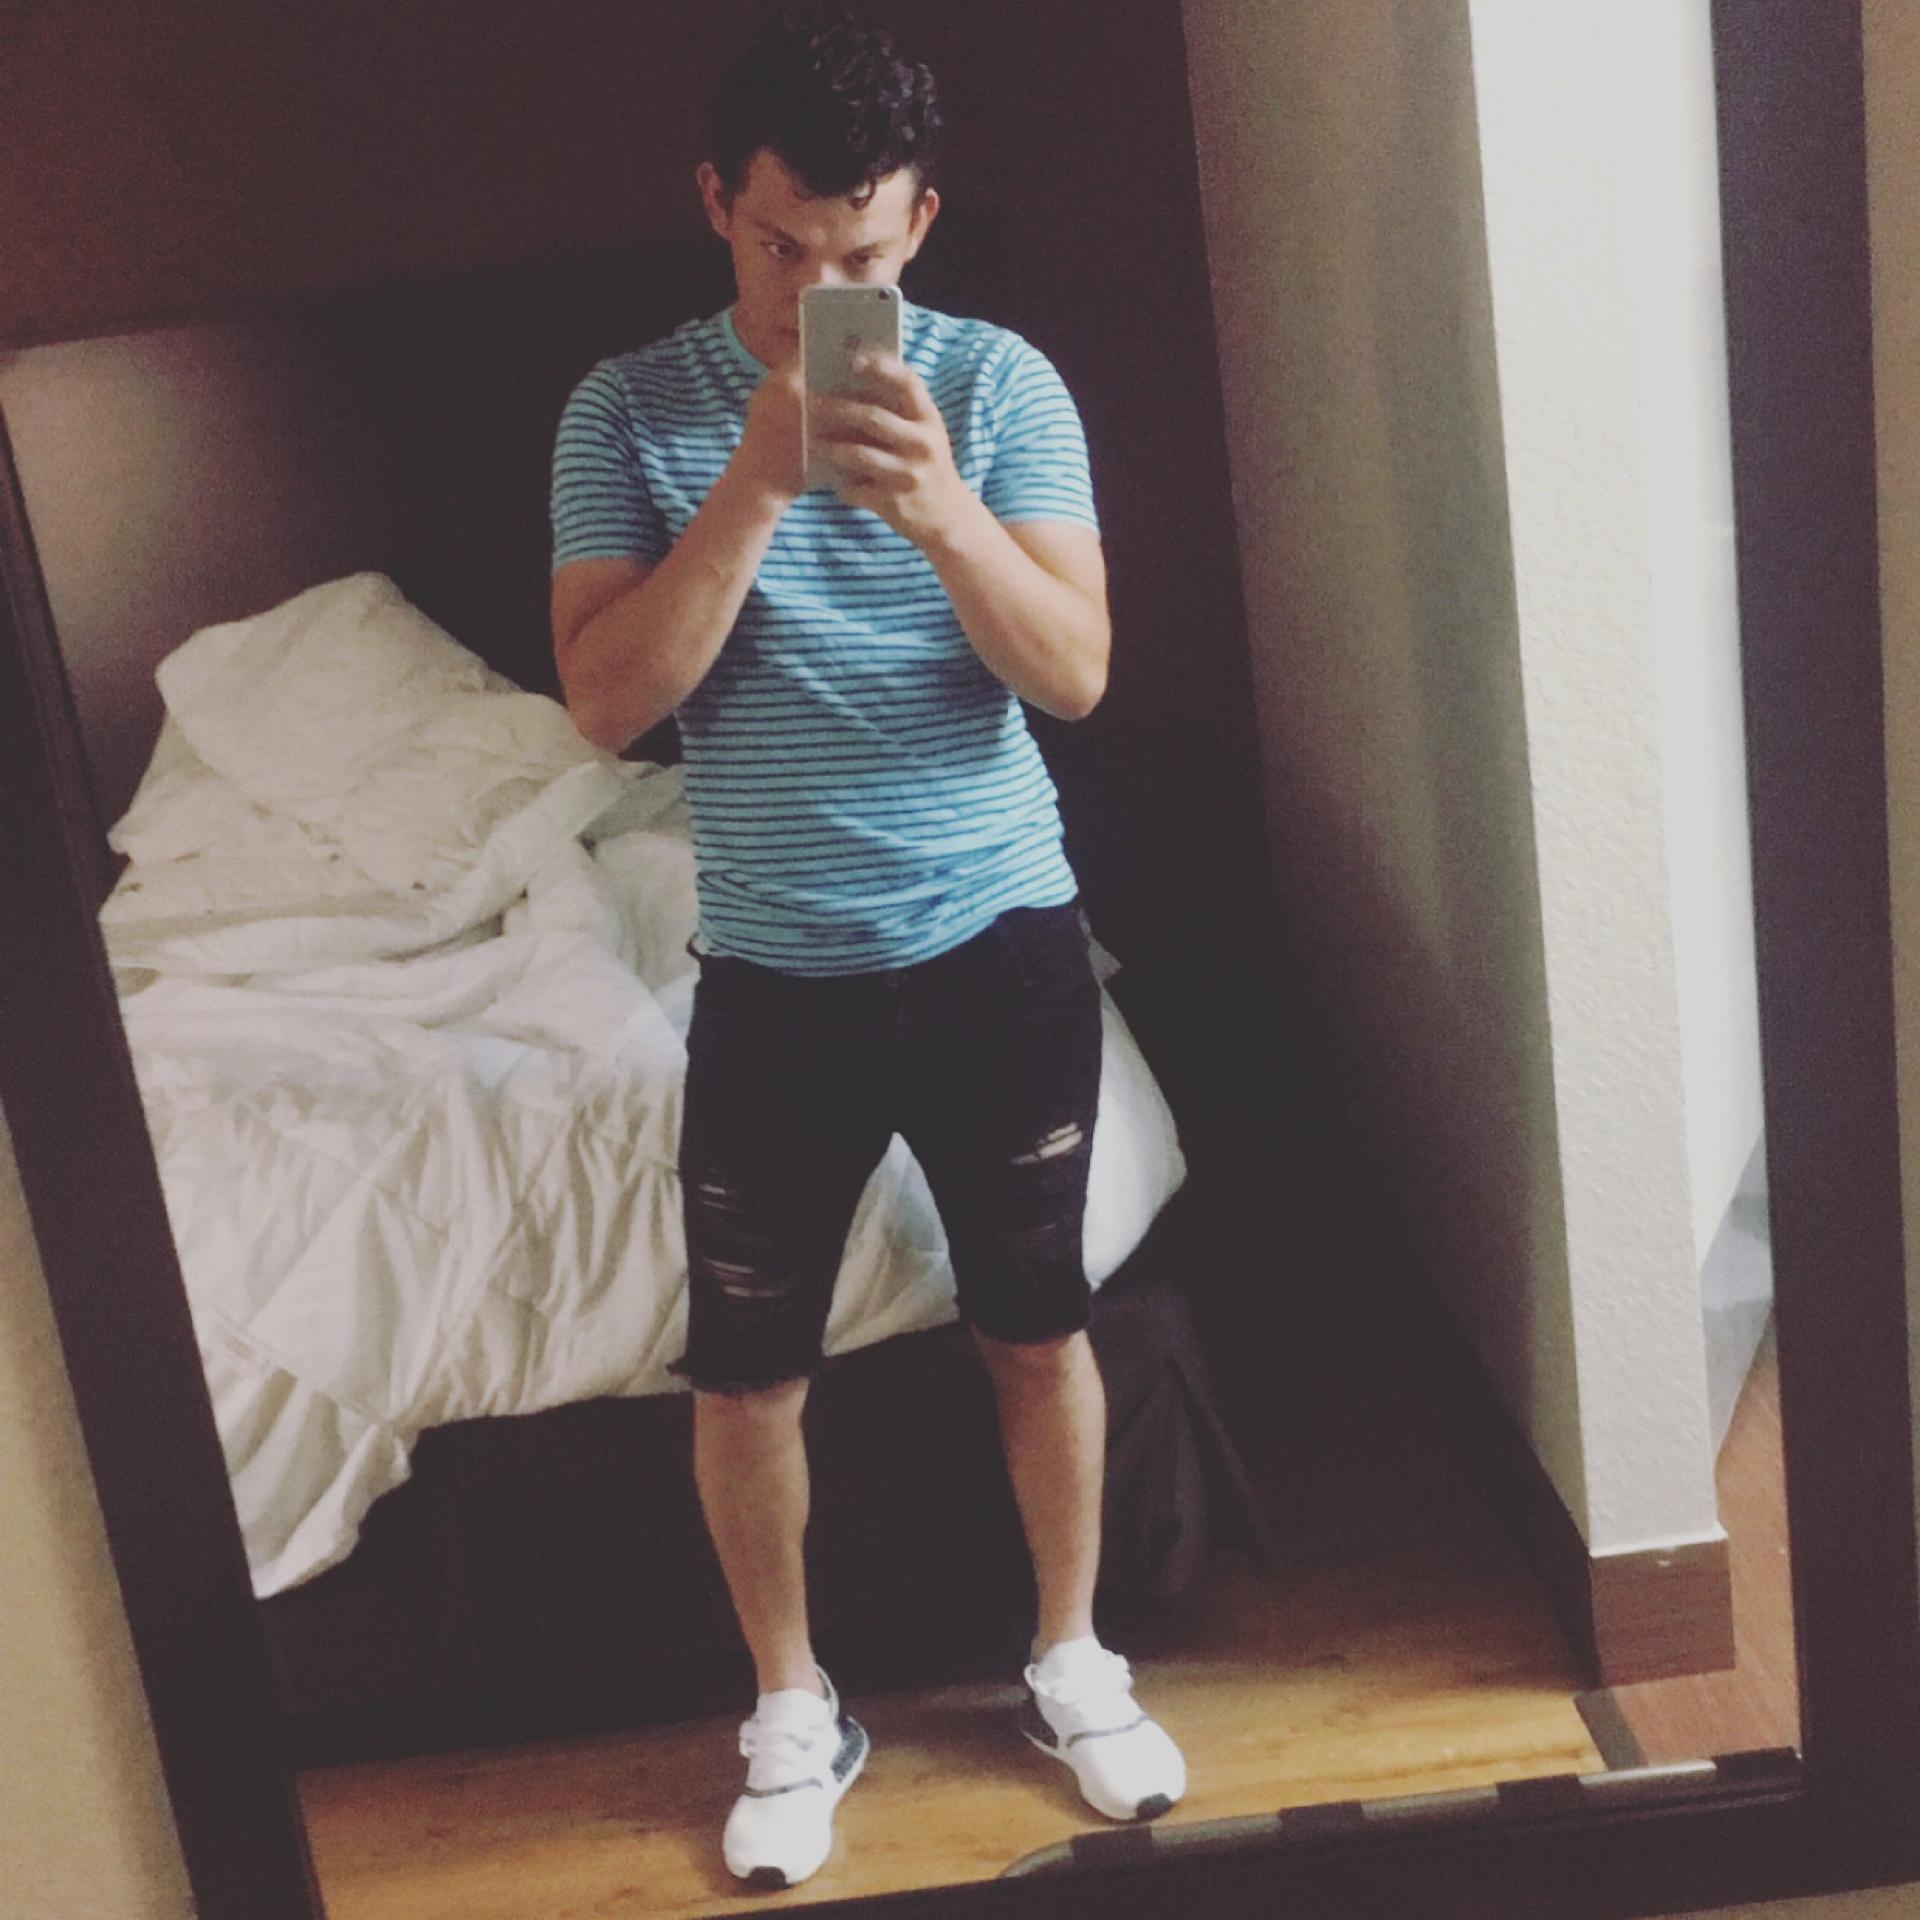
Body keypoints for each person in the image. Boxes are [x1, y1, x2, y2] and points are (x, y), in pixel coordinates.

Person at [548, 7, 1185, 1891]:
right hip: (774, 972)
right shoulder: (623, 412)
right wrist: (753, 483)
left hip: (1001, 943)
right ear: (714, 205)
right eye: (780, 249)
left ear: (919, 224)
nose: (820, 294)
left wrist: (941, 509)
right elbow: (606, 708)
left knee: (1037, 1328)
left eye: (862, 257)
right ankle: (790, 1704)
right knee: (746, 1373)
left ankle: (1070, 1656)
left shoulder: (998, 387)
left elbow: (1075, 674)